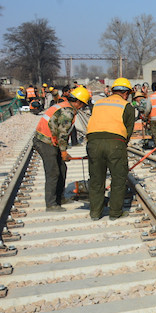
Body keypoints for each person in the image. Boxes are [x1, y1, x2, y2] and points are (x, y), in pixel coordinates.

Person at [33, 86, 92, 211]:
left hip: (49, 140)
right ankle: (51, 203)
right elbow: (62, 134)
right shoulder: (67, 112)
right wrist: (64, 152)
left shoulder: (64, 105)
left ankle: (60, 197)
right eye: (82, 104)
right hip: (45, 142)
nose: (82, 107)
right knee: (53, 171)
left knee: (62, 168)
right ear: (78, 102)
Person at [87, 77, 135, 220]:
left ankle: (95, 213)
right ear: (126, 93)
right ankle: (115, 213)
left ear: (112, 91)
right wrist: (121, 145)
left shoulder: (98, 104)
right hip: (115, 143)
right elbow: (128, 130)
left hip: (93, 142)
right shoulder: (127, 106)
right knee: (118, 178)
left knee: (96, 179)